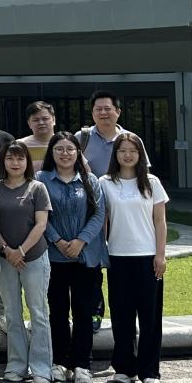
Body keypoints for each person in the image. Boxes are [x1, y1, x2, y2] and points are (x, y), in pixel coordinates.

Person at [100, 132, 168, 383]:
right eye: (122, 150)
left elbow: (160, 221)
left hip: (148, 257)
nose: (127, 155)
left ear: (140, 154)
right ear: (115, 154)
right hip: (118, 256)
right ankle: (124, 368)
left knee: (150, 317)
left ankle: (150, 371)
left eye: (133, 150)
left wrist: (160, 255)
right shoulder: (105, 183)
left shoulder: (152, 182)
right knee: (121, 315)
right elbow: (102, 220)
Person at [38, 131, 107, 383]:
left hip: (85, 256)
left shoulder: (90, 180)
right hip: (54, 256)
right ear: (51, 153)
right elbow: (39, 214)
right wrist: (57, 240)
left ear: (78, 153)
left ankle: (82, 364)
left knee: (83, 311)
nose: (65, 154)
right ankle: (59, 361)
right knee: (57, 311)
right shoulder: (41, 179)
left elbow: (99, 214)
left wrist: (80, 241)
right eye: (59, 149)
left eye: (70, 149)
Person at [0, 140, 53, 383]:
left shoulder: (37, 188)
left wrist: (20, 251)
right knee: (12, 313)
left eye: (20, 158)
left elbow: (41, 224)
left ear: (27, 162)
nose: (15, 163)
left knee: (38, 312)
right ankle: (16, 365)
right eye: (10, 158)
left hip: (34, 257)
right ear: (3, 162)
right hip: (5, 258)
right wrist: (7, 250)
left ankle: (42, 368)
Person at [79, 89, 123, 334]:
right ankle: (96, 309)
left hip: (121, 211)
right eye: (98, 109)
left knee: (120, 262)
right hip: (91, 212)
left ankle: (124, 313)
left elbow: (143, 174)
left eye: (108, 108)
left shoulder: (130, 139)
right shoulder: (82, 137)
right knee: (92, 264)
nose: (103, 113)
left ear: (118, 111)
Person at [16, 101, 57, 172]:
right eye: (36, 120)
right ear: (29, 123)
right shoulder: (20, 145)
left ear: (54, 120)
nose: (41, 123)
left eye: (45, 119)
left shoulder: (66, 144)